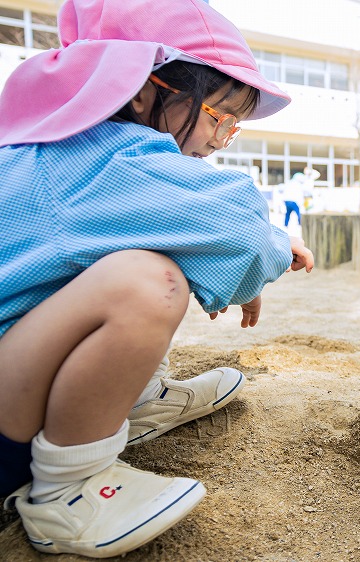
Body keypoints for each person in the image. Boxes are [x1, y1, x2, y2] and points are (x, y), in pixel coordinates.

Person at [0, 0, 314, 557]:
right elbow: (234, 230)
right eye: (219, 116)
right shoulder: (106, 158)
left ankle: (131, 403)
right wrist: (273, 246)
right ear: (144, 91)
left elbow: (201, 224)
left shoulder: (54, 149)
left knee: (150, 244)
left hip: (17, 385)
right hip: (7, 436)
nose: (223, 139)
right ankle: (68, 492)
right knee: (149, 280)